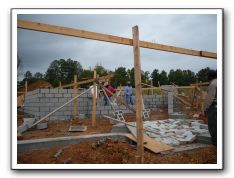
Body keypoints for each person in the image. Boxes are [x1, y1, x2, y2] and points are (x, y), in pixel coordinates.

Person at [204, 69, 217, 146]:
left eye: (207, 75)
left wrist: (206, 109)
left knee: (213, 126)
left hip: (214, 108)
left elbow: (210, 99)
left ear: (210, 76)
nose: (206, 77)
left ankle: (216, 143)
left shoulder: (213, 84)